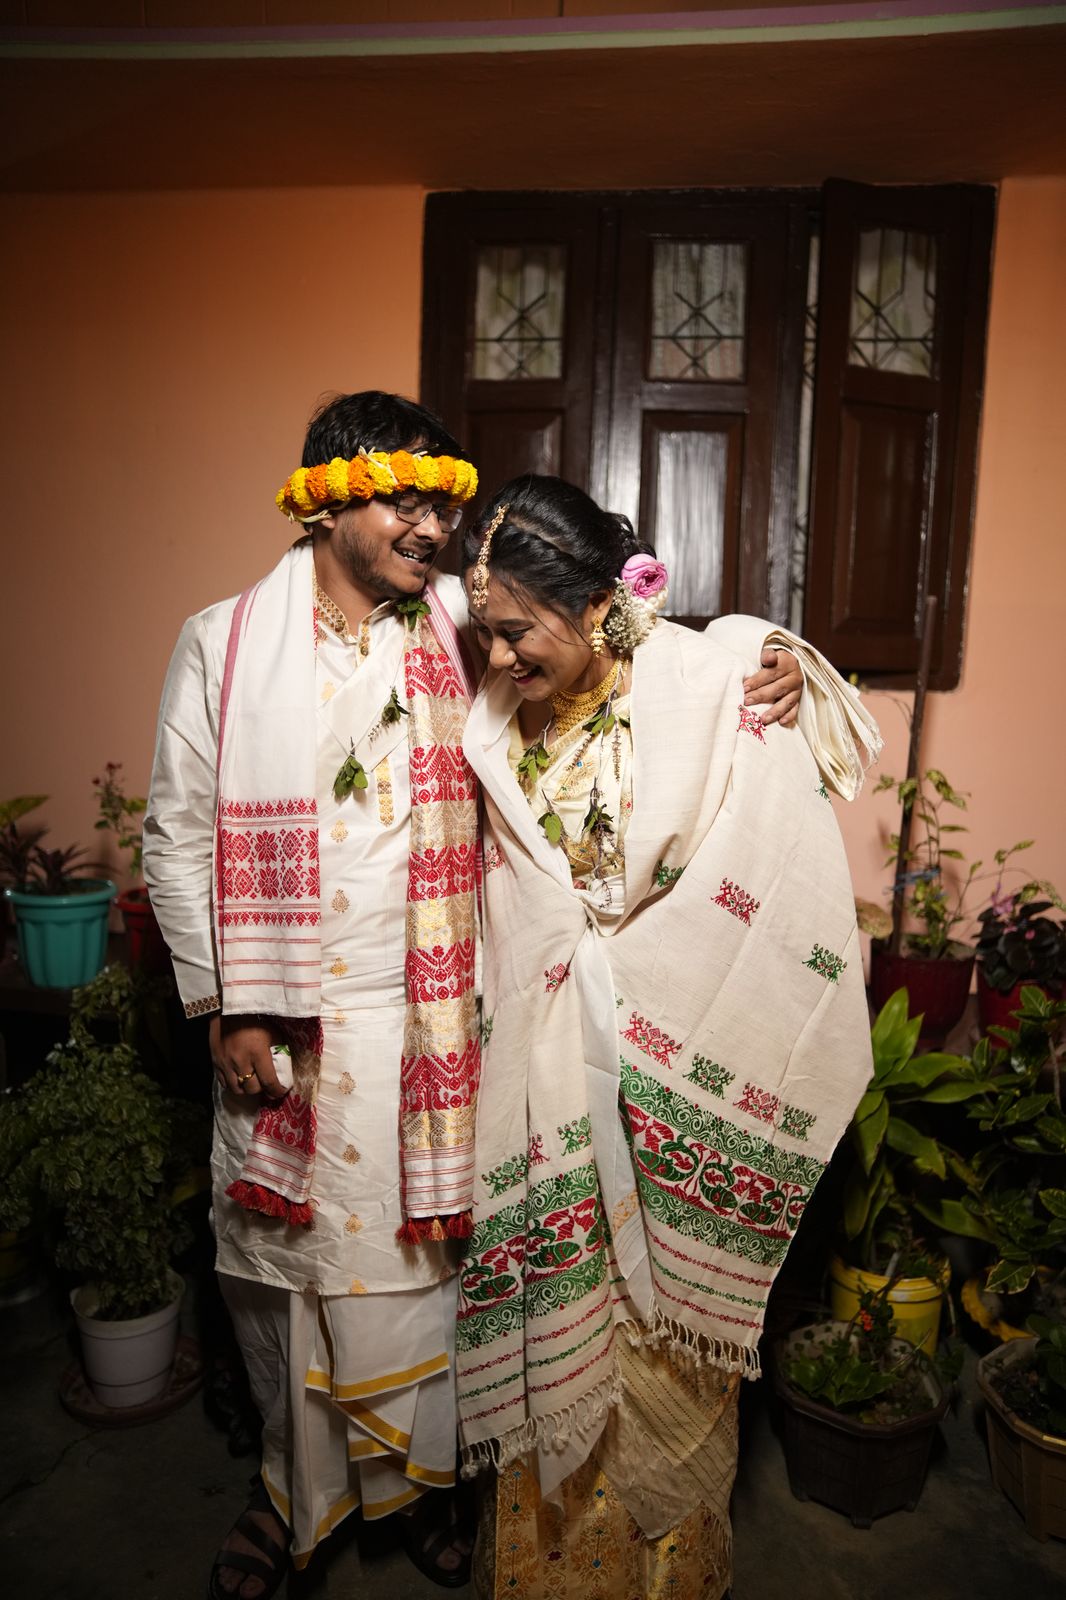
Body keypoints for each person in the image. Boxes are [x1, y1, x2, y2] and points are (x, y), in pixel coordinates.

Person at [142, 392, 865, 1600]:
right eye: (403, 501)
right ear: (324, 499)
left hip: (431, 1025)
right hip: (285, 1019)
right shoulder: (224, 644)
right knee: (286, 1286)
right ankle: (286, 1493)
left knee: (427, 1286)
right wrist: (231, 1003)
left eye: (442, 502)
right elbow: (175, 834)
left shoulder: (459, 621)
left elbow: (621, 638)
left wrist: (771, 660)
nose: (432, 527)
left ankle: (421, 1487)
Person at [453, 476, 879, 1600]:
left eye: (516, 631)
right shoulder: (494, 728)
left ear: (598, 605)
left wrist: (777, 658)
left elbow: (771, 863)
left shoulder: (702, 687)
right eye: (485, 632)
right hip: (548, 1094)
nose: (496, 657)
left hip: (667, 1096)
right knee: (561, 1360)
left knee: (666, 1366)